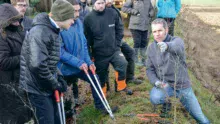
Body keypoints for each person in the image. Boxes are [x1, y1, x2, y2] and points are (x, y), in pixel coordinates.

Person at [19, 0, 75, 123]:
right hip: (37, 89)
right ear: (62, 17)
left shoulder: (52, 30)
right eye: (71, 18)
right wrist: (55, 84)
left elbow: (50, 61)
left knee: (57, 119)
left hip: (45, 85)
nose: (73, 21)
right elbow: (37, 65)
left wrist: (59, 77)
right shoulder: (41, 32)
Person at [146, 18, 210, 124]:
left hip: (182, 86)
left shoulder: (176, 40)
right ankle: (168, 103)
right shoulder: (151, 48)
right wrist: (156, 82)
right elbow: (149, 69)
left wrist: (167, 46)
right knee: (155, 97)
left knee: (200, 117)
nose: (157, 34)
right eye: (154, 31)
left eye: (160, 30)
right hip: (165, 85)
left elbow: (177, 47)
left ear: (166, 30)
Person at [58, 1, 107, 118]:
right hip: (65, 68)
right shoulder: (60, 27)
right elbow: (60, 52)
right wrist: (78, 62)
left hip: (81, 64)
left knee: (95, 77)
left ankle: (100, 107)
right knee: (67, 93)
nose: (77, 13)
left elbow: (83, 44)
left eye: (78, 10)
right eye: (74, 11)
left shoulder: (79, 22)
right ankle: (68, 115)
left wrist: (89, 62)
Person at [84, 0, 133, 97]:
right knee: (101, 75)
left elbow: (119, 30)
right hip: (99, 53)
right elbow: (87, 38)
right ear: (93, 4)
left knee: (122, 63)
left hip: (114, 49)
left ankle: (121, 87)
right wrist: (90, 55)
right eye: (98, 3)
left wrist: (117, 45)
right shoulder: (88, 19)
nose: (101, 6)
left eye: (102, 3)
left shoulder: (112, 13)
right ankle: (103, 94)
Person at [0, 3, 32, 123]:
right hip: (8, 83)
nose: (18, 23)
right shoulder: (1, 36)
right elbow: (2, 62)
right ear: (6, 21)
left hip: (21, 78)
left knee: (24, 112)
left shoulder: (19, 30)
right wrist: (24, 57)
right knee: (13, 116)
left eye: (19, 20)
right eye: (15, 21)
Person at [105, 0, 143, 86]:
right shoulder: (100, 11)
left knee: (130, 52)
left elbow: (120, 27)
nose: (109, 1)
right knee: (106, 62)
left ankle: (129, 77)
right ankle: (106, 84)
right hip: (106, 43)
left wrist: (119, 40)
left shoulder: (115, 10)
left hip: (118, 40)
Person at [122, 0, 154, 66]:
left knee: (144, 42)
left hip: (145, 25)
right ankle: (135, 60)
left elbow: (151, 9)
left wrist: (151, 13)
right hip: (135, 25)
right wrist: (134, 11)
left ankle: (143, 60)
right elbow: (124, 8)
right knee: (137, 42)